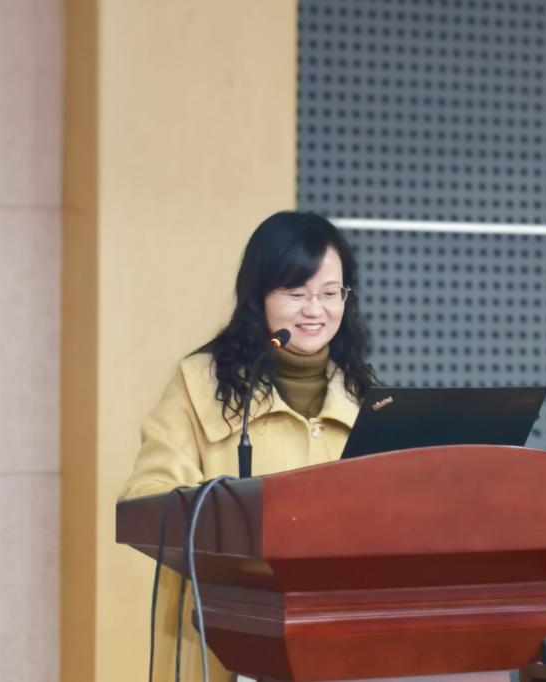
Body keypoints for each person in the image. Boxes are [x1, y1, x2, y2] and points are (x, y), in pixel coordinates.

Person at [119, 210, 376, 682]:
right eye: (295, 293)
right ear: (258, 296)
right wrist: (240, 519)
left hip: (334, 643)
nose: (315, 310)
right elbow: (147, 497)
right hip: (220, 642)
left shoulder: (366, 396)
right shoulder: (199, 383)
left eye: (330, 293)